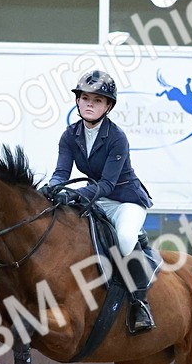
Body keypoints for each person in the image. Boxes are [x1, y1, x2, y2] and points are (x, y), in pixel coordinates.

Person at [46, 70, 156, 333]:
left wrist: (78, 194)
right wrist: (52, 189)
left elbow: (107, 183)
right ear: (78, 101)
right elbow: (62, 173)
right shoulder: (69, 135)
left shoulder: (117, 137)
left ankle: (139, 303)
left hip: (125, 200)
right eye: (85, 98)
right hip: (97, 197)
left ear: (108, 106)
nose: (89, 104)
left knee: (126, 239)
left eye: (97, 100)